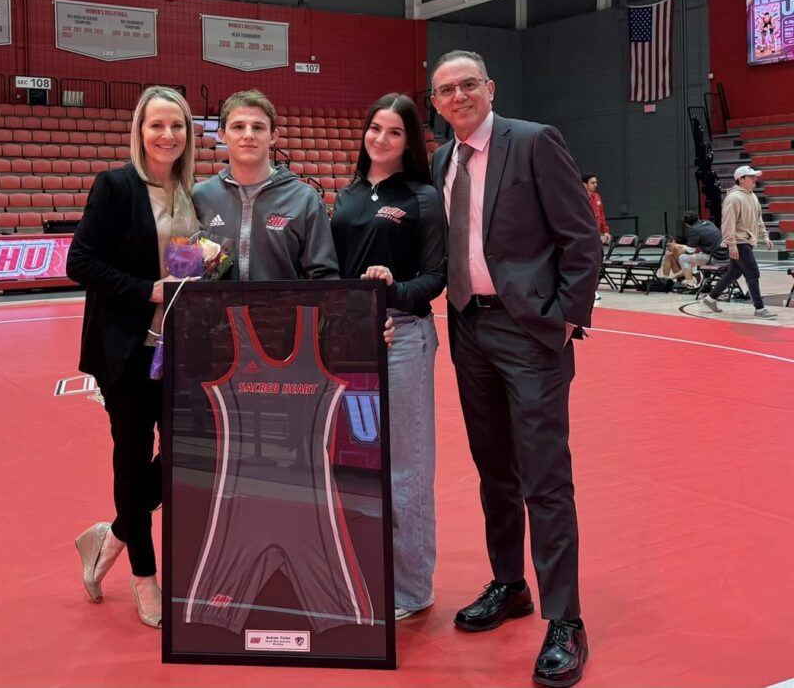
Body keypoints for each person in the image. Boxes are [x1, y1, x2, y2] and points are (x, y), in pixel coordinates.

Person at [430, 50, 601, 687]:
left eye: (467, 84)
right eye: (445, 90)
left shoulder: (532, 142)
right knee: (493, 468)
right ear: (437, 101)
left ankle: (566, 619)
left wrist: (562, 317)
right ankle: (510, 584)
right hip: (468, 326)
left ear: (490, 88)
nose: (457, 96)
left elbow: (581, 237)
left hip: (529, 330)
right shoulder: (442, 160)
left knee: (544, 476)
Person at [66, 86, 200, 629]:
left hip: (181, 352)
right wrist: (147, 289)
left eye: (178, 126)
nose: (167, 135)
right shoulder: (117, 186)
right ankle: (144, 576)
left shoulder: (196, 192)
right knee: (131, 454)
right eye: (157, 125)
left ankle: (114, 533)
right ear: (139, 131)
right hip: (126, 353)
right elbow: (80, 261)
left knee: (183, 458)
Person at [330, 93, 445, 621]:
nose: (380, 138)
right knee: (354, 464)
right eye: (374, 128)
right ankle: (366, 573)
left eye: (394, 132)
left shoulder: (423, 197)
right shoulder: (348, 195)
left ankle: (412, 588)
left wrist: (394, 291)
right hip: (349, 340)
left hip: (402, 337)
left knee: (406, 469)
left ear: (410, 141)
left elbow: (435, 278)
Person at [193, 89, 338, 280]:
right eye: (238, 127)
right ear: (222, 135)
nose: (248, 135)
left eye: (258, 127)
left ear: (273, 136)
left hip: (283, 310)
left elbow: (323, 276)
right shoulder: (201, 196)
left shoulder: (304, 199)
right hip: (218, 309)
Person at [701, 166, 777, 319]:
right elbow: (728, 224)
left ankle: (710, 299)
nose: (755, 179)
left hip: (746, 241)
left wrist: (765, 237)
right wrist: (732, 244)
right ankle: (759, 308)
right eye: (751, 177)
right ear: (741, 179)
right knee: (753, 273)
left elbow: (758, 220)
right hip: (739, 242)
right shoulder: (733, 198)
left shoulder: (752, 196)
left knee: (734, 273)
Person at [581, 174, 611, 244]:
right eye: (592, 183)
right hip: (583, 236)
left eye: (596, 182)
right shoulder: (578, 199)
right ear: (584, 184)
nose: (596, 184)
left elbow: (601, 216)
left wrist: (605, 232)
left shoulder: (597, 197)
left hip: (596, 235)